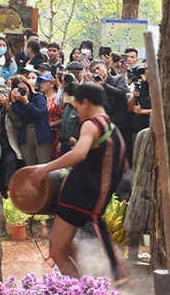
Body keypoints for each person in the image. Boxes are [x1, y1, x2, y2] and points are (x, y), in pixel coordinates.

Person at [26, 83, 130, 283]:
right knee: (69, 245)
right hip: (94, 196)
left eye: (76, 105)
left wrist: (46, 168)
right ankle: (91, 280)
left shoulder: (91, 125)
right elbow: (123, 166)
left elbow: (80, 154)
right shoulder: (114, 129)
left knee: (58, 253)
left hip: (76, 195)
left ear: (87, 103)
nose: (76, 110)